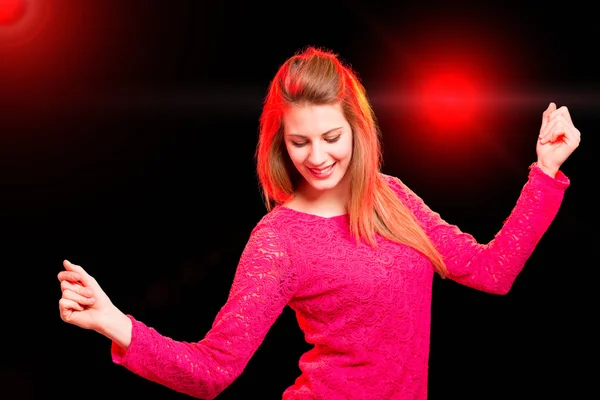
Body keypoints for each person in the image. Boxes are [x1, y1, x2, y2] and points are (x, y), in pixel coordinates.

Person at [57, 46, 580, 400]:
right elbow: (213, 370)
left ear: (356, 127)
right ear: (280, 143)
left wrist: (545, 171)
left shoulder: (390, 196)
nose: (317, 157)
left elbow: (493, 271)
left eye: (331, 137)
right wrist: (116, 323)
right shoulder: (278, 241)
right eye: (299, 141)